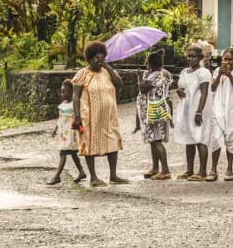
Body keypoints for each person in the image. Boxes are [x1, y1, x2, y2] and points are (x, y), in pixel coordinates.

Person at [71, 41, 127, 187]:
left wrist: (108, 67)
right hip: (89, 116)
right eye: (97, 57)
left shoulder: (106, 72)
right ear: (89, 58)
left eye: (102, 57)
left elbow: (119, 83)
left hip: (109, 116)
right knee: (89, 144)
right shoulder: (82, 74)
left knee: (113, 142)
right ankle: (93, 177)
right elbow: (76, 96)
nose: (100, 60)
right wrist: (77, 117)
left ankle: (113, 175)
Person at [132, 50, 174, 180]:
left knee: (156, 140)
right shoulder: (155, 74)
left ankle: (165, 170)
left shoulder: (160, 75)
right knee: (152, 140)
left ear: (150, 63)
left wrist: (140, 77)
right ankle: (155, 167)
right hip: (149, 111)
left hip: (155, 111)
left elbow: (143, 88)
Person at [173, 44, 212, 181]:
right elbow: (183, 88)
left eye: (193, 56)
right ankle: (189, 169)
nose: (190, 59)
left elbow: (204, 93)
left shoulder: (204, 73)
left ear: (200, 57)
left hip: (197, 108)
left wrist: (199, 111)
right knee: (188, 139)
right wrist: (179, 92)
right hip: (186, 107)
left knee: (199, 138)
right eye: (188, 56)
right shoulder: (184, 72)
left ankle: (202, 171)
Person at [208, 47, 233, 181]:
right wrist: (219, 75)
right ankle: (213, 169)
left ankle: (229, 168)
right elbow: (212, 87)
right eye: (225, 59)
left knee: (232, 136)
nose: (227, 62)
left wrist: (230, 75)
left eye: (230, 59)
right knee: (216, 137)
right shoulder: (217, 71)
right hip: (218, 107)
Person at [48, 79, 87, 185]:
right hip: (63, 132)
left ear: (71, 92)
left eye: (64, 92)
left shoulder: (74, 104)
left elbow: (79, 117)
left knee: (63, 153)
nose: (62, 94)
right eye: (61, 92)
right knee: (72, 153)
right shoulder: (63, 104)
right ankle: (81, 171)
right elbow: (60, 118)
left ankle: (56, 176)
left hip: (70, 133)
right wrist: (55, 129)